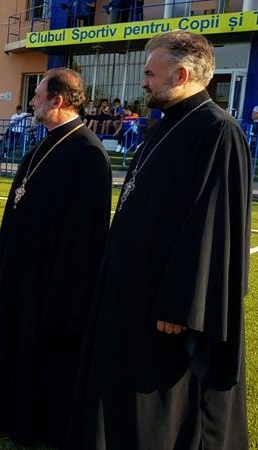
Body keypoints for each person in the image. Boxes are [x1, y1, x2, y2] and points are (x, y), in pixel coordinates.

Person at [68, 30, 250, 449]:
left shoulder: (218, 132)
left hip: (167, 308)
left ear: (181, 74)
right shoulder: (164, 127)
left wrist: (183, 304)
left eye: (150, 73)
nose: (143, 82)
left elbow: (212, 226)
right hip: (132, 291)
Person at [0, 68, 111, 448]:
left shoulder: (88, 154)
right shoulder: (44, 145)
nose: (31, 102)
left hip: (48, 280)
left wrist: (62, 294)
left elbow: (83, 238)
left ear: (57, 101)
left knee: (38, 353)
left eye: (37, 95)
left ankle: (29, 421)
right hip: (18, 269)